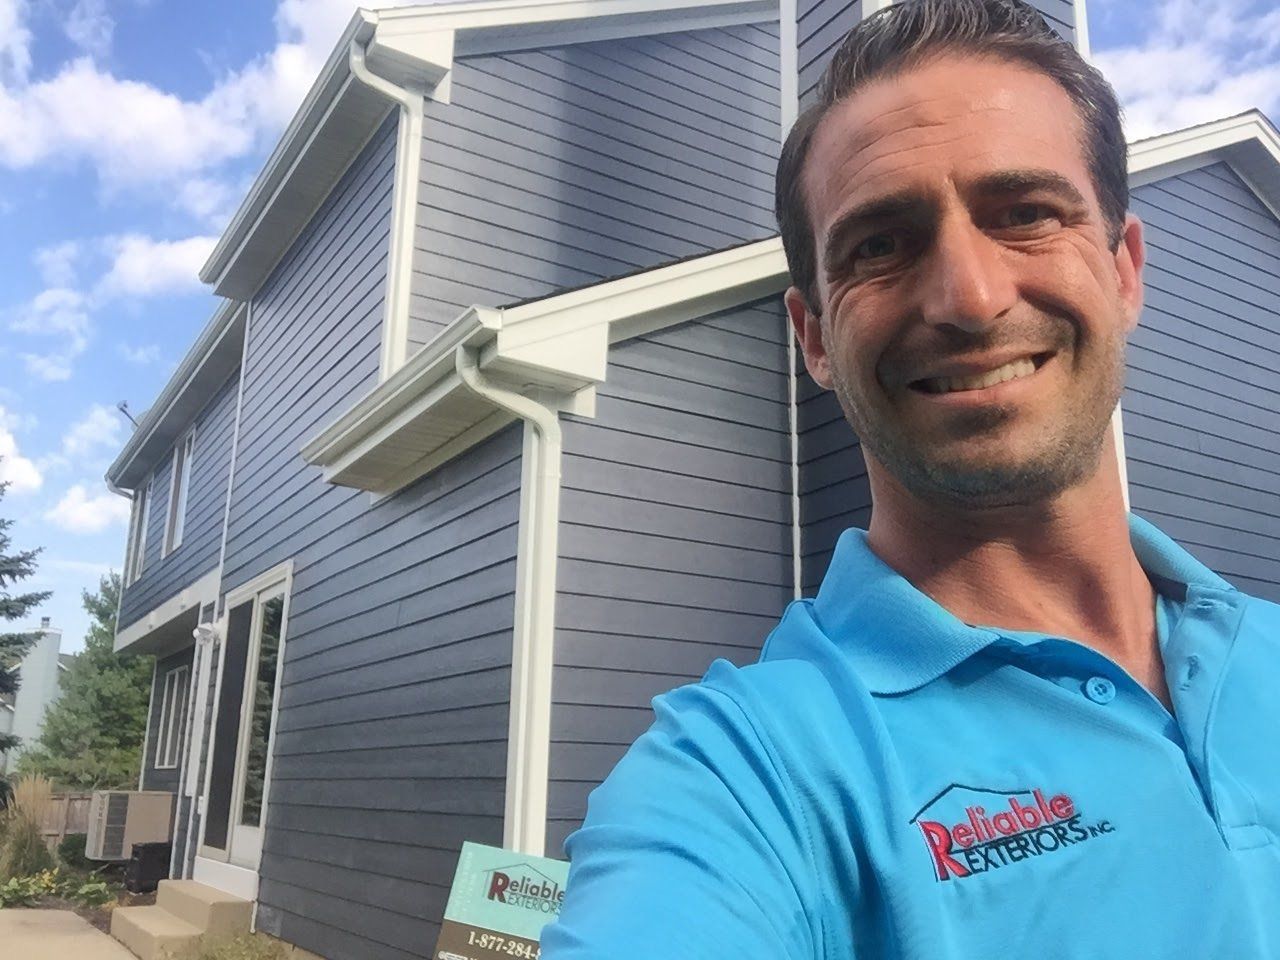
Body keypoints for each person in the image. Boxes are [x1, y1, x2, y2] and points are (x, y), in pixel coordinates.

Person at [540, 1, 1280, 957]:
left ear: (1125, 271)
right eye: (880, 246)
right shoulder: (745, 778)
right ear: (813, 336)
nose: (969, 299)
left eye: (1025, 215)